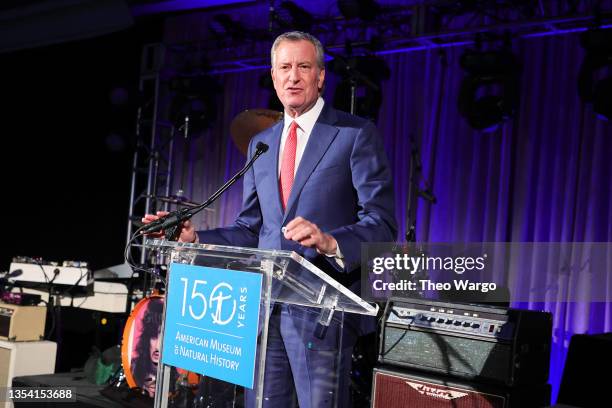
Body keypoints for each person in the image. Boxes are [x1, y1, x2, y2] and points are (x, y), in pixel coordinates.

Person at [144, 31, 396, 408]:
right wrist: (196, 239)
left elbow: (382, 222)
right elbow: (250, 230)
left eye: (303, 67)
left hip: (322, 316)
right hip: (264, 311)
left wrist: (331, 241)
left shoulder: (354, 134)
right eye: (284, 68)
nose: (293, 76)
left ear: (320, 76)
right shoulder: (261, 144)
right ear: (274, 76)